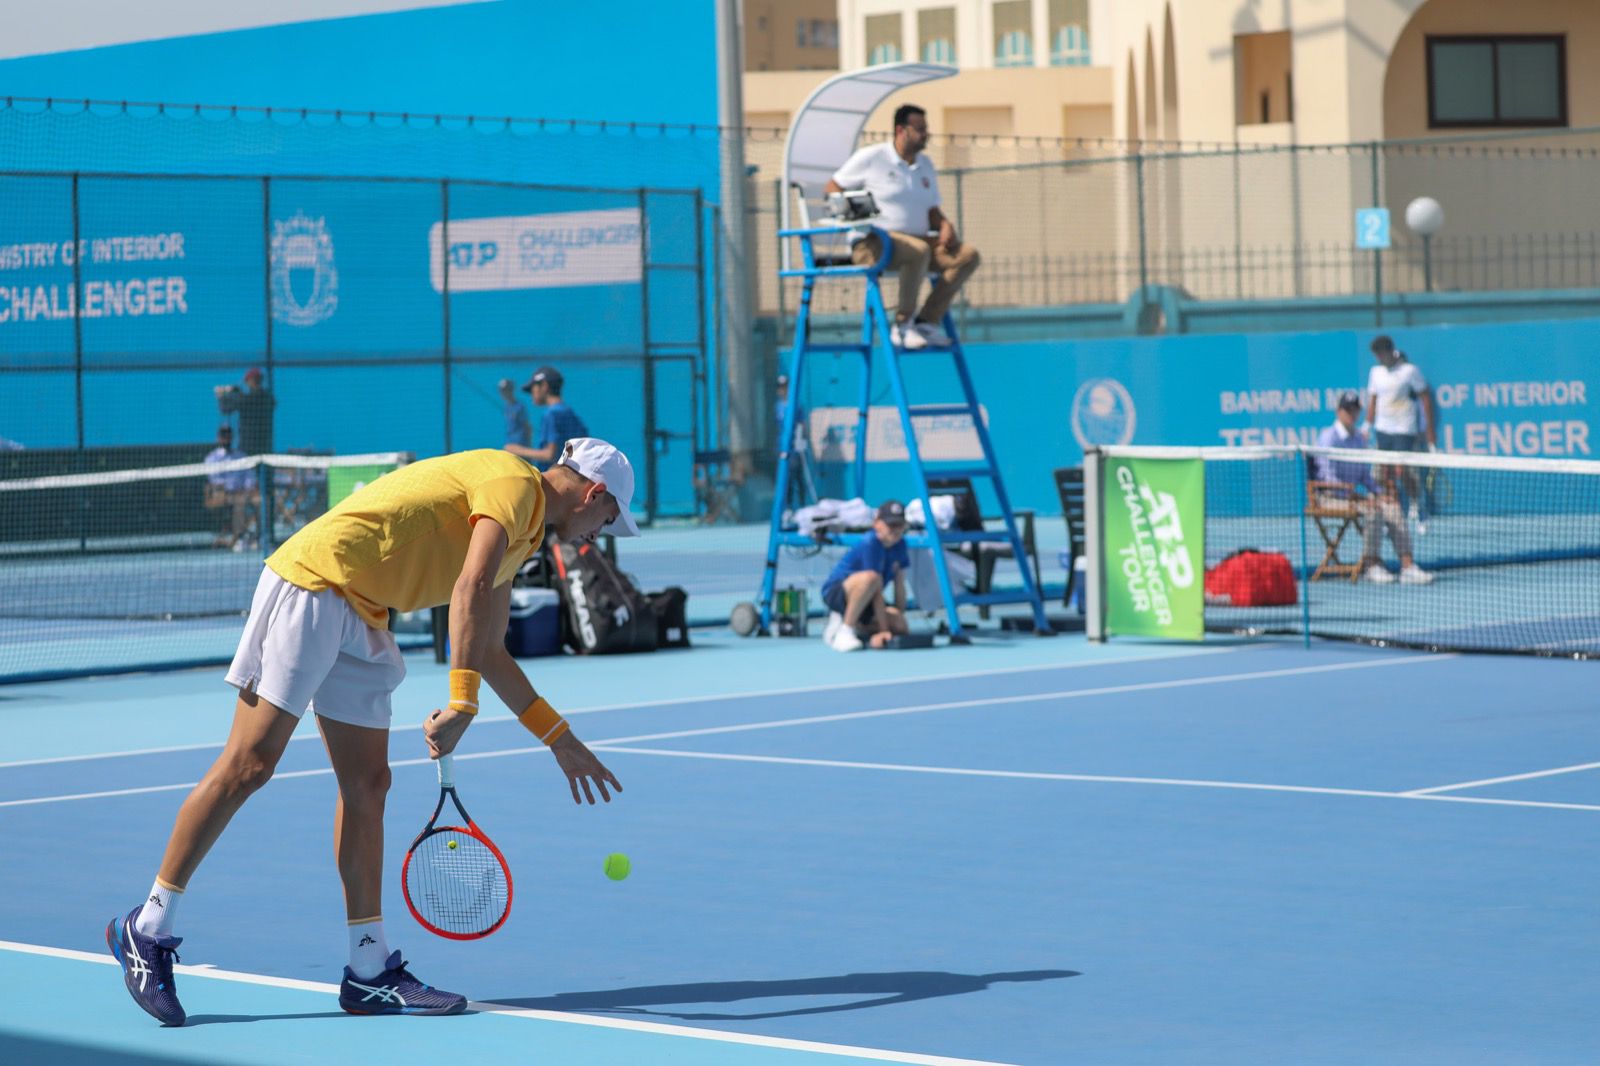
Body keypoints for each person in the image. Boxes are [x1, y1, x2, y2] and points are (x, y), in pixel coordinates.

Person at [106, 438, 638, 1026]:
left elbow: (490, 648)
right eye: (607, 520)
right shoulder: (512, 486)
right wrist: (462, 702)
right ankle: (147, 925)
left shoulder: (527, 535)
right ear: (594, 493)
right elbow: (467, 586)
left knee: (368, 786)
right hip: (317, 581)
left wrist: (560, 740)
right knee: (250, 764)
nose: (598, 535)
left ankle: (368, 968)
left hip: (367, 610)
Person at [824, 104, 980, 352]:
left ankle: (926, 322)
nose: (925, 134)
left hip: (918, 243)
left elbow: (931, 210)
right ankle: (903, 324)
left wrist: (944, 225)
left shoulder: (925, 165)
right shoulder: (872, 157)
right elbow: (833, 187)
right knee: (918, 250)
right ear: (900, 130)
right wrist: (855, 214)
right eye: (920, 129)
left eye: (926, 128)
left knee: (967, 255)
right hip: (873, 245)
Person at [1314, 390, 1432, 585]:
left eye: (1355, 410)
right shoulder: (1328, 438)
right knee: (1373, 510)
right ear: (1338, 411)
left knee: (1392, 507)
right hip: (1328, 497)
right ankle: (1372, 565)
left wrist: (1379, 494)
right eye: (1347, 410)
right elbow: (1328, 478)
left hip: (1354, 498)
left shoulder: (1359, 439)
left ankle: (1407, 566)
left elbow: (1364, 477)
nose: (1351, 414)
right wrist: (1359, 497)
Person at [819, 500, 913, 652]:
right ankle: (845, 630)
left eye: (899, 525)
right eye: (891, 525)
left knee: (900, 625)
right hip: (838, 593)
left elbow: (899, 583)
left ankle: (859, 627)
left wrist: (897, 618)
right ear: (877, 523)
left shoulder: (900, 545)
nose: (895, 530)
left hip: (868, 597)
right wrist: (883, 630)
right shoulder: (870, 542)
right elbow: (875, 585)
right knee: (872, 578)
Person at [1364, 335, 1436, 529]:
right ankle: (1391, 512)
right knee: (1381, 474)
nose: (1378, 358)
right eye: (1376, 355)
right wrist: (1366, 426)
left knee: (1402, 470)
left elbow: (1425, 398)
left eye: (1380, 354)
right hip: (1382, 429)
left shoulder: (1409, 371)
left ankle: (1416, 503)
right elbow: (1373, 400)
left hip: (1404, 428)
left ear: (1389, 351)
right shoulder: (1375, 372)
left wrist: (1429, 430)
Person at [507, 366, 588, 471]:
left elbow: (550, 455)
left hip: (554, 478)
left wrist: (517, 450)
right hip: (570, 476)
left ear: (544, 386)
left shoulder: (552, 413)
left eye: (532, 389)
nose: (532, 394)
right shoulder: (569, 413)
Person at [202, 424, 257, 550]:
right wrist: (230, 489)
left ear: (232, 436)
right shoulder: (211, 458)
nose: (226, 437)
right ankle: (237, 539)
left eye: (228, 434)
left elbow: (250, 477)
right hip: (221, 495)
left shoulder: (241, 456)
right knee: (239, 502)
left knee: (260, 501)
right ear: (218, 437)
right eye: (223, 435)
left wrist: (247, 489)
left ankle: (261, 537)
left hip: (243, 493)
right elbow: (214, 480)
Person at [215, 367, 276, 456]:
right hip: (265, 445)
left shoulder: (247, 399)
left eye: (249, 380)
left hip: (249, 446)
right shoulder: (268, 398)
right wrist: (235, 391)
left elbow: (224, 408)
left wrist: (221, 396)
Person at [499, 377, 532, 453]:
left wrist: (528, 447)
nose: (502, 393)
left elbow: (527, 427)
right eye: (501, 391)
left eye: (505, 390)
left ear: (511, 390)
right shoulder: (506, 406)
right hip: (510, 445)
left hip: (520, 446)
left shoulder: (519, 407)